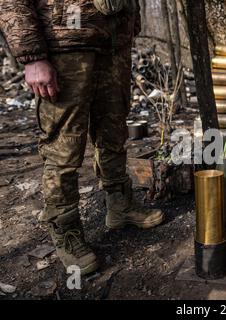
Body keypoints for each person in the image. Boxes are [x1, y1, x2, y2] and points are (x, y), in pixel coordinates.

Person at [0, 0, 164, 275]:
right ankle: (66, 231)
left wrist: (129, 25)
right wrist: (32, 55)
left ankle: (119, 204)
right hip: (65, 47)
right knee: (63, 147)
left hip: (113, 46)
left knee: (113, 133)